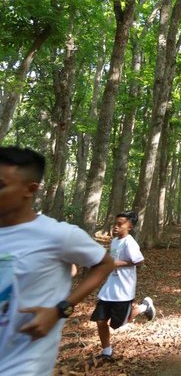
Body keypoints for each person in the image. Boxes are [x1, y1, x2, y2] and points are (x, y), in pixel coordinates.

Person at [0, 146, 114, 375]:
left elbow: (105, 263)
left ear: (29, 190)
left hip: (22, 366)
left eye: (1, 185)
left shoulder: (57, 235)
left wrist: (61, 309)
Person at [90, 211, 156, 362]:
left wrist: (118, 264)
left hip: (124, 289)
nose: (116, 227)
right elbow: (112, 260)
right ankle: (106, 352)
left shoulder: (130, 242)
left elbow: (139, 261)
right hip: (109, 288)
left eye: (120, 224)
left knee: (120, 323)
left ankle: (144, 307)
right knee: (100, 321)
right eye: (115, 224)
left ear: (130, 226)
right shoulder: (114, 241)